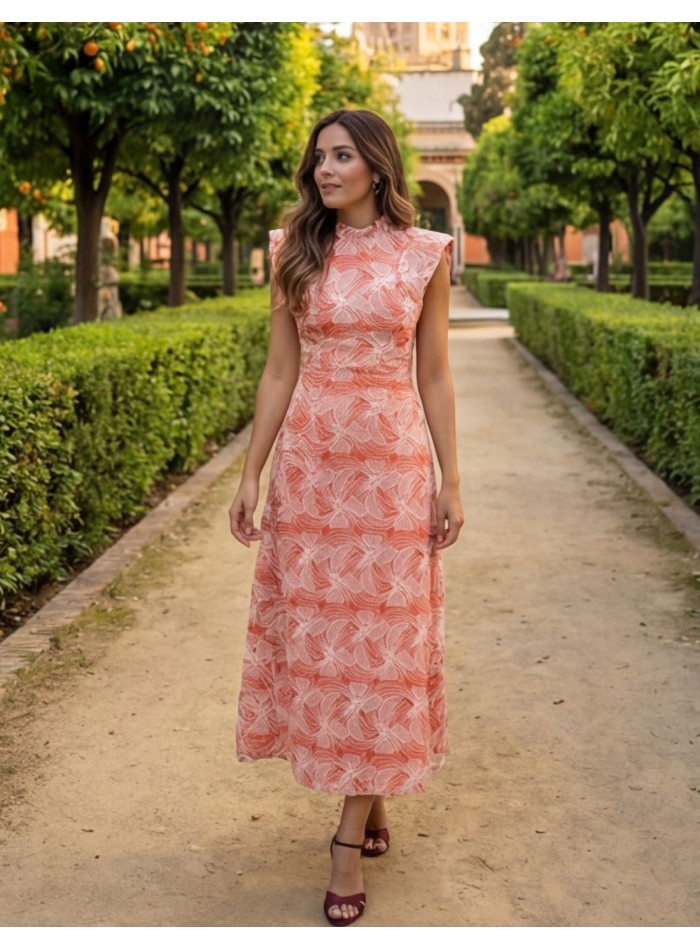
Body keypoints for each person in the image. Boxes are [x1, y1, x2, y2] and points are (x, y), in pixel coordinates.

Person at [228, 108, 464, 926]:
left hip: (391, 475)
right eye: (318, 158)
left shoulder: (422, 254)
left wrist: (450, 479)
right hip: (313, 478)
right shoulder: (293, 251)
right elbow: (277, 370)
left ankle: (345, 838)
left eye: (341, 156)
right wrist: (251, 472)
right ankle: (373, 803)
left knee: (384, 648)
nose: (325, 170)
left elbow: (433, 373)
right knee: (329, 648)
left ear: (377, 166)